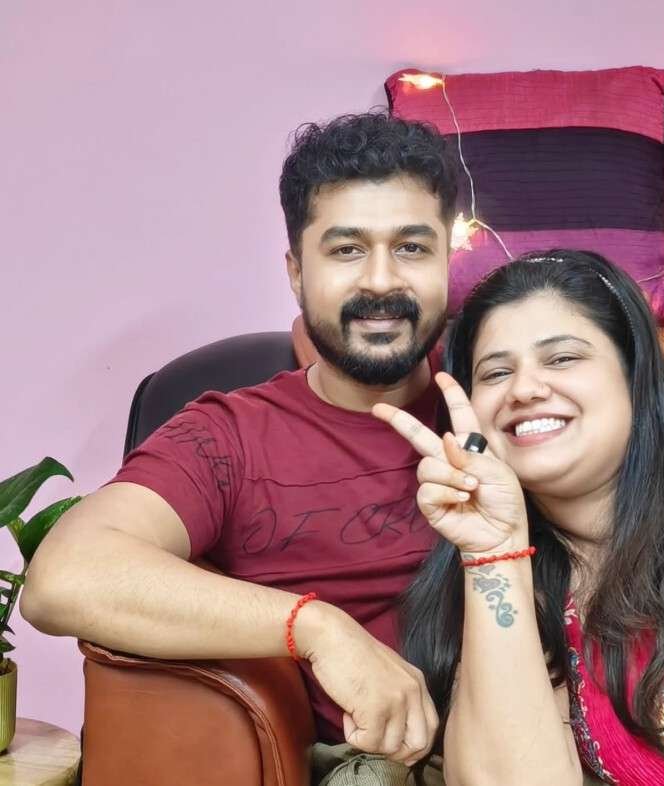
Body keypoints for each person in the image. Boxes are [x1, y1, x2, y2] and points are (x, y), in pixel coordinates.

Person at [21, 112, 458, 777]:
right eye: (345, 249)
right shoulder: (229, 435)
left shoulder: (506, 402)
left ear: (447, 261)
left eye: (412, 247)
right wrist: (316, 628)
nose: (379, 280)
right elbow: (61, 580)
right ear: (295, 272)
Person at [375, 250, 664, 786]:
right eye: (497, 372)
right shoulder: (525, 589)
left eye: (562, 358)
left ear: (633, 372)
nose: (524, 389)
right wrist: (494, 550)